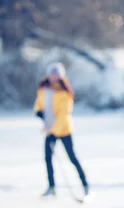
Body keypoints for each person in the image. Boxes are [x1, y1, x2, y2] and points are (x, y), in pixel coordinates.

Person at [33, 62, 89, 197]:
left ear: (61, 77)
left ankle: (85, 184)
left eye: (56, 75)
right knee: (48, 158)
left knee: (72, 158)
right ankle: (51, 187)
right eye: (52, 75)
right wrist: (38, 112)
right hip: (49, 129)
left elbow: (63, 115)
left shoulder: (65, 93)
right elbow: (39, 104)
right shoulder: (43, 89)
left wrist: (53, 130)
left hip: (63, 130)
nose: (53, 78)